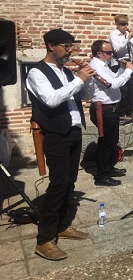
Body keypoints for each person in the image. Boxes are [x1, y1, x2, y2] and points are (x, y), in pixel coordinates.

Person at [26, 29, 95, 261]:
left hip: (74, 131)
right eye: (65, 46)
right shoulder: (36, 72)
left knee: (70, 182)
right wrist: (79, 79)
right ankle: (44, 239)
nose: (70, 50)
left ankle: (62, 226)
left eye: (71, 46)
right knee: (58, 184)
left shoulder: (65, 72)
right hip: (55, 134)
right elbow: (52, 100)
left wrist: (88, 81)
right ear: (50, 46)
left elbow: (80, 96)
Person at [88, 40, 133, 186]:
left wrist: (122, 69)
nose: (111, 55)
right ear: (99, 53)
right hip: (103, 110)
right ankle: (102, 176)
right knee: (106, 143)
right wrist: (128, 71)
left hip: (111, 109)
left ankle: (109, 168)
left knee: (112, 141)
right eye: (109, 53)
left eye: (111, 52)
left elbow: (114, 79)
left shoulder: (103, 65)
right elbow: (112, 85)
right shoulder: (96, 65)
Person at [108, 14, 133, 122]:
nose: (125, 26)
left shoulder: (128, 34)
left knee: (132, 87)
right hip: (119, 63)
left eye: (126, 24)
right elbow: (117, 49)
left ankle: (129, 110)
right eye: (123, 24)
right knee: (122, 88)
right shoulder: (114, 35)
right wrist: (128, 38)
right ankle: (121, 111)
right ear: (117, 24)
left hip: (130, 63)